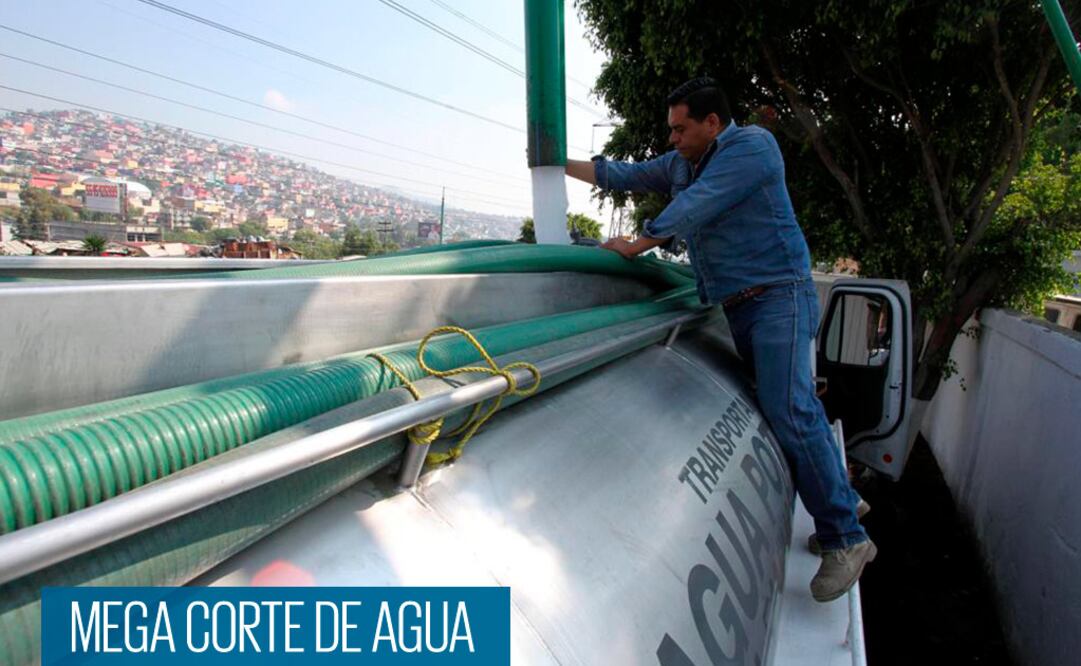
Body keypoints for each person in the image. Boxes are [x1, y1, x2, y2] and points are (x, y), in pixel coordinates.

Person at [565, 77, 876, 602]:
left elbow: (699, 205)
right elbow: (625, 173)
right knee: (794, 407)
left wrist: (639, 244)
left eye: (681, 128)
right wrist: (553, 163)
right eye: (671, 130)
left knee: (791, 409)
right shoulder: (683, 164)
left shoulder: (752, 147)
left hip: (781, 296)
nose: (672, 140)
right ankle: (839, 495)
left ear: (713, 123)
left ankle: (847, 538)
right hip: (744, 306)